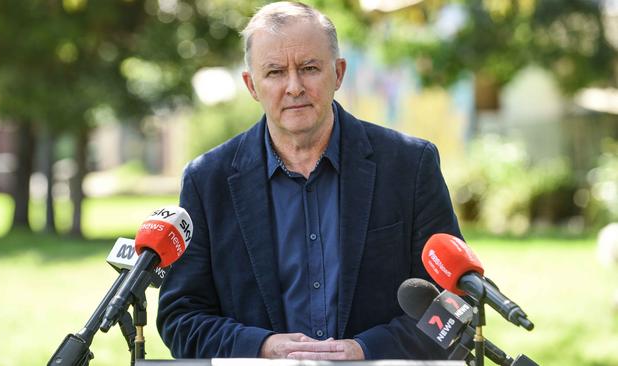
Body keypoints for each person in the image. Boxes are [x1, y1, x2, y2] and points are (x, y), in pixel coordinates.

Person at [157, 1, 462, 360]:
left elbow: (453, 304)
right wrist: (262, 348)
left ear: (339, 73)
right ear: (251, 85)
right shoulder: (207, 181)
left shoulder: (410, 166)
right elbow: (181, 317)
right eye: (274, 72)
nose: (294, 87)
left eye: (310, 68)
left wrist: (366, 351)